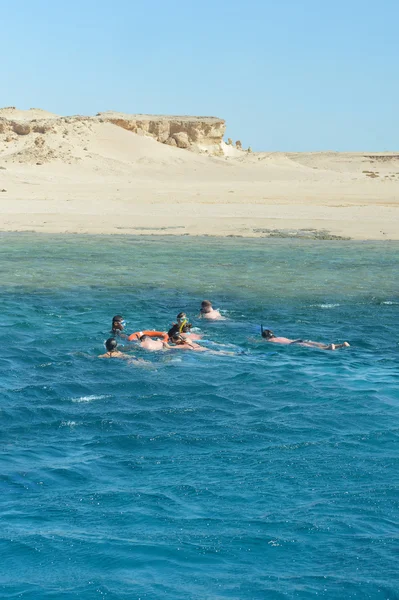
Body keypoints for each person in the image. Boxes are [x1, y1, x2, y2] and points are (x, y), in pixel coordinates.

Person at [261, 326, 350, 350]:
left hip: (295, 343)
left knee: (321, 349)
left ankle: (330, 347)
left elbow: (260, 342)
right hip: (298, 340)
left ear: (266, 337)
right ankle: (342, 345)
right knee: (321, 345)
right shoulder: (279, 337)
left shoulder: (271, 341)